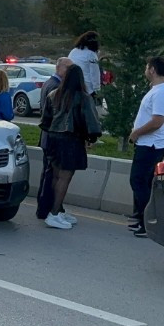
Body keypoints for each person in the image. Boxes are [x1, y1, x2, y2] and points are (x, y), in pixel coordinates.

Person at [39, 65, 101, 229]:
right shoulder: (82, 97)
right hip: (71, 139)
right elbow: (90, 121)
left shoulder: (54, 94)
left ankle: (57, 210)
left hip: (53, 137)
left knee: (56, 175)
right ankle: (54, 213)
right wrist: (92, 137)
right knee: (65, 177)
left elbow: (45, 120)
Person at [127, 57, 164, 238]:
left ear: (153, 70)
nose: (145, 70)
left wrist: (137, 132)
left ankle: (148, 222)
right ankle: (140, 217)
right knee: (144, 182)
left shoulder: (161, 92)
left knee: (138, 181)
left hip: (152, 145)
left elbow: (157, 121)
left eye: (147, 67)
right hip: (148, 144)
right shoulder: (158, 90)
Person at [35, 57, 74, 221]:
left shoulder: (49, 83)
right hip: (53, 137)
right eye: (70, 69)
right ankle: (46, 208)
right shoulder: (56, 87)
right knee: (51, 176)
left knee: (49, 174)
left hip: (48, 137)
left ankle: (49, 207)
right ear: (61, 68)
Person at [67, 31, 102, 101]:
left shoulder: (73, 51)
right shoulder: (91, 55)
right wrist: (97, 90)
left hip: (72, 86)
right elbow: (94, 74)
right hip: (88, 89)